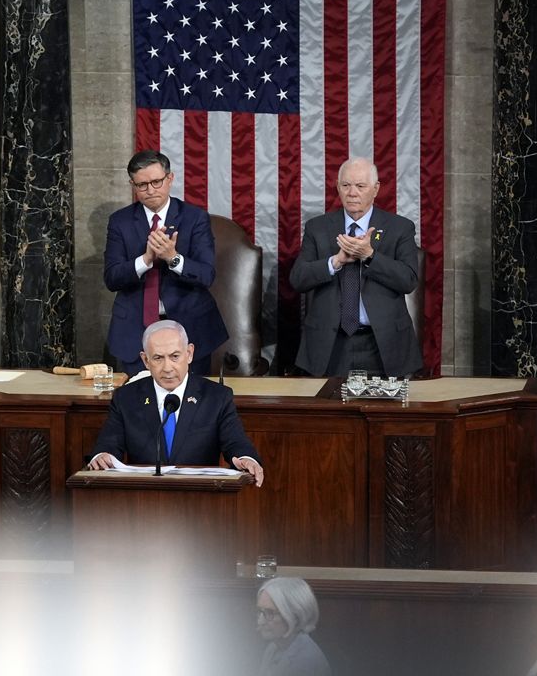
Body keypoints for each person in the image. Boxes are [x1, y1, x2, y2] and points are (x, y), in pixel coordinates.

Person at [86, 320, 263, 485]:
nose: (167, 367)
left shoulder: (216, 397)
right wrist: (102, 456)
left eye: (175, 356)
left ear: (189, 354)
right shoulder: (126, 398)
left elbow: (236, 442)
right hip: (143, 499)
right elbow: (108, 444)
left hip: (200, 499)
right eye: (158, 358)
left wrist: (247, 458)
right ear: (145, 360)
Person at [289, 157, 422, 378]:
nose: (352, 193)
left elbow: (408, 280)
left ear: (375, 189)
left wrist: (369, 256)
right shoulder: (318, 227)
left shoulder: (400, 228)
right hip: (329, 344)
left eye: (360, 186)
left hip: (382, 345)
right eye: (346, 185)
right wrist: (336, 262)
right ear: (338, 187)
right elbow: (298, 279)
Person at [103, 149, 228, 377]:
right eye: (142, 185)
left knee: (191, 407)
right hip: (134, 331)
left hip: (189, 328)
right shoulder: (119, 222)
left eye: (156, 182)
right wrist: (146, 260)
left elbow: (206, 275)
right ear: (133, 184)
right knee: (139, 406)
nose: (150, 190)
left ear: (170, 179)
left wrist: (173, 257)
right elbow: (112, 278)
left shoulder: (195, 218)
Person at [256, 577, 331, 676]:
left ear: (295, 616)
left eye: (270, 613)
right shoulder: (274, 647)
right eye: (260, 611)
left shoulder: (305, 662)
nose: (260, 621)